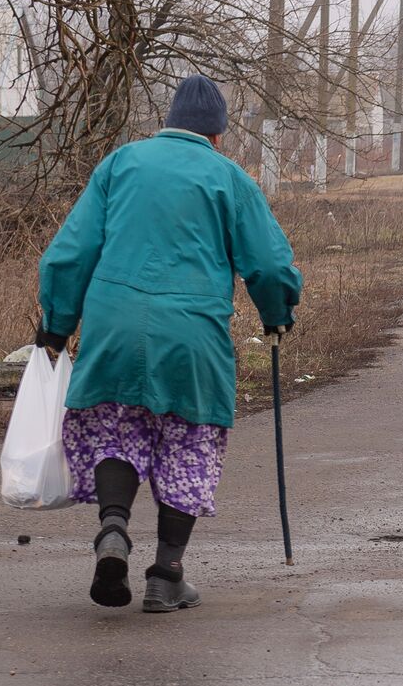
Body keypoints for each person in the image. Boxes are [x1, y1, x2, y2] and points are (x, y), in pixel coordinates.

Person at [36, 74, 303, 611]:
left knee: (116, 429)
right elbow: (270, 264)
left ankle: (113, 528)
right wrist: (277, 314)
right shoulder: (231, 179)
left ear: (169, 121)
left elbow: (70, 253)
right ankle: (166, 575)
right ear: (218, 135)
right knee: (188, 441)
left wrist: (57, 326)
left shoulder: (120, 164)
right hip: (192, 333)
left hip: (112, 327)